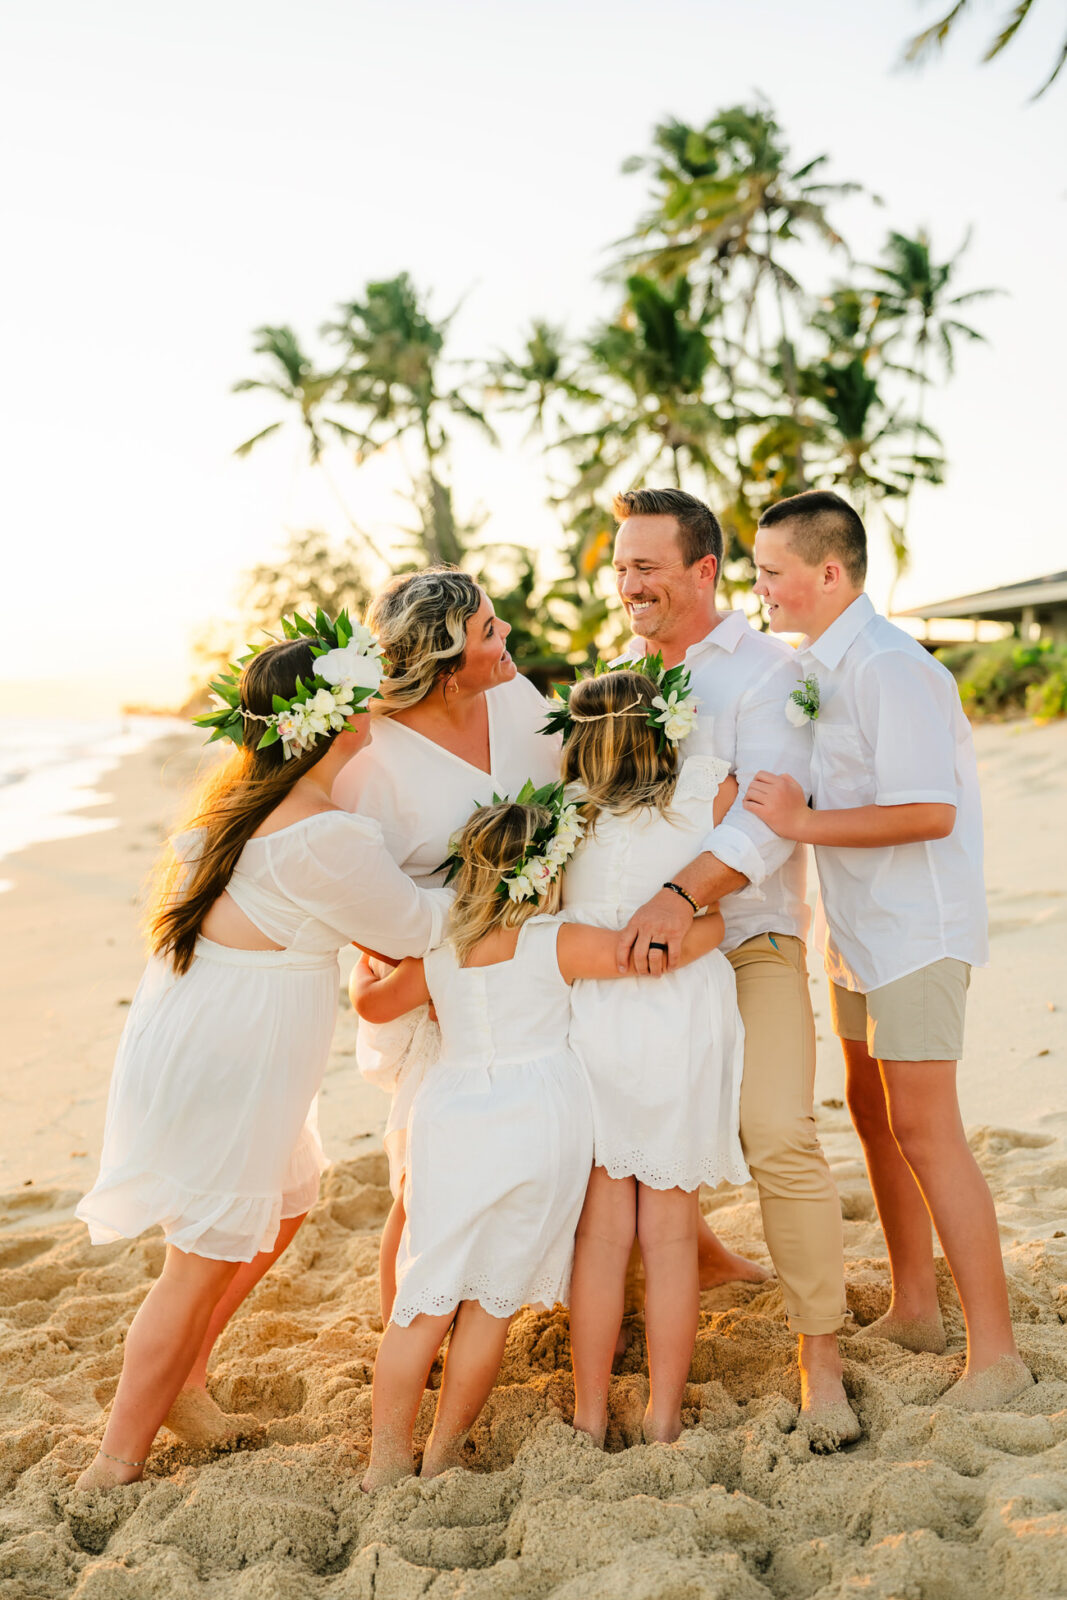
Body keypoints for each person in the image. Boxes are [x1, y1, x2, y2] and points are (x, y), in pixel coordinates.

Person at [74, 616, 452, 1490]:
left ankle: (188, 1381)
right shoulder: (321, 833)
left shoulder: (247, 803)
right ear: (332, 721)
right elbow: (420, 928)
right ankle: (114, 1463)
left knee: (283, 1202)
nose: (370, 714)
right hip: (234, 1054)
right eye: (357, 701)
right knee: (198, 1255)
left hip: (209, 1031)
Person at [334, 565, 761, 1320]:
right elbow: (357, 876)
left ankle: (685, 1253)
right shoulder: (374, 755)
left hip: (547, 954)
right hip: (451, 959)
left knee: (596, 1122)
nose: (506, 638)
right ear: (441, 661)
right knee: (425, 1163)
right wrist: (433, 954)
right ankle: (403, 1321)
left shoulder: (513, 696)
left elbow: (577, 790)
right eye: (487, 631)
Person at [743, 488, 1032, 1411]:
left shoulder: (887, 666)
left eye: (772, 573)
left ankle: (997, 1354)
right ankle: (915, 1307)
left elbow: (926, 810)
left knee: (924, 1127)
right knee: (871, 1115)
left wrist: (801, 821)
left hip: (916, 929)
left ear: (829, 573)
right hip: (854, 932)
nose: (762, 590)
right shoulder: (817, 666)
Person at [352, 790, 726, 1488]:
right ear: (547, 873)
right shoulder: (555, 942)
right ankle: (441, 1454)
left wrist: (361, 973)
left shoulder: (439, 949)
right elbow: (645, 955)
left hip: (452, 1115)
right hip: (538, 1119)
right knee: (492, 1300)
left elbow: (373, 1005)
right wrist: (709, 925)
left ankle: (384, 1460)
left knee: (425, 1296)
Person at [609, 486, 857, 1448]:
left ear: (704, 571)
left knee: (776, 1132)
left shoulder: (765, 674)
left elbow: (763, 818)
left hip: (748, 932)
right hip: (642, 944)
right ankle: (674, 1277)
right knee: (612, 1141)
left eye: (648, 567)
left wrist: (679, 896)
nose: (629, 584)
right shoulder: (617, 675)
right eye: (621, 565)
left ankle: (820, 1361)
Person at [553, 667, 749, 1447]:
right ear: (668, 729)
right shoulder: (707, 788)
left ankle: (590, 1411)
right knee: (670, 1232)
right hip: (679, 1019)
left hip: (595, 1020)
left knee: (601, 1235)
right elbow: (721, 916)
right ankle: (663, 1414)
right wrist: (684, 939)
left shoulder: (566, 816)